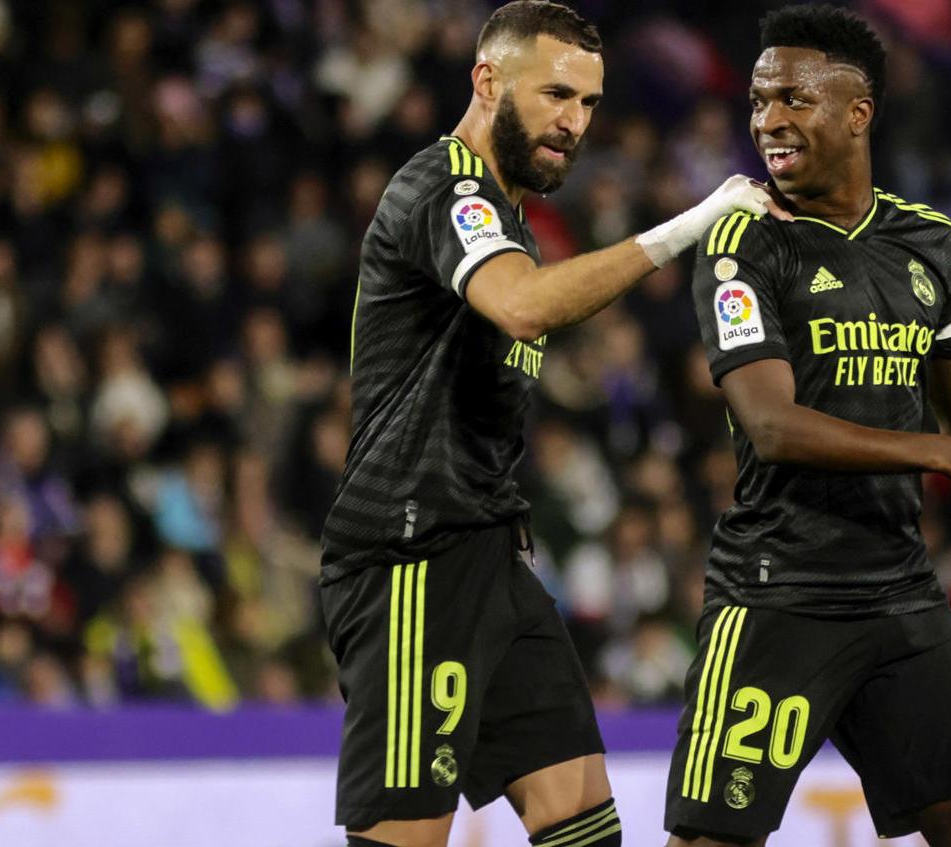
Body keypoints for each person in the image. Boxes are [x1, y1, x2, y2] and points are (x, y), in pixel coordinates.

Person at [318, 2, 780, 845]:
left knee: (580, 817)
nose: (574, 123)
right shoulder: (445, 187)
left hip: (492, 552)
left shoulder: (508, 218)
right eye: (556, 95)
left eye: (589, 103)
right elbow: (523, 307)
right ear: (488, 81)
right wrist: (688, 226)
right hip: (409, 558)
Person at [663, 7, 951, 846]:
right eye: (759, 100)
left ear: (858, 112)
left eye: (794, 99)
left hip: (898, 590)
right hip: (777, 591)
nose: (769, 119)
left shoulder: (931, 245)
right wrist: (944, 453)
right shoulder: (744, 241)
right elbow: (772, 425)